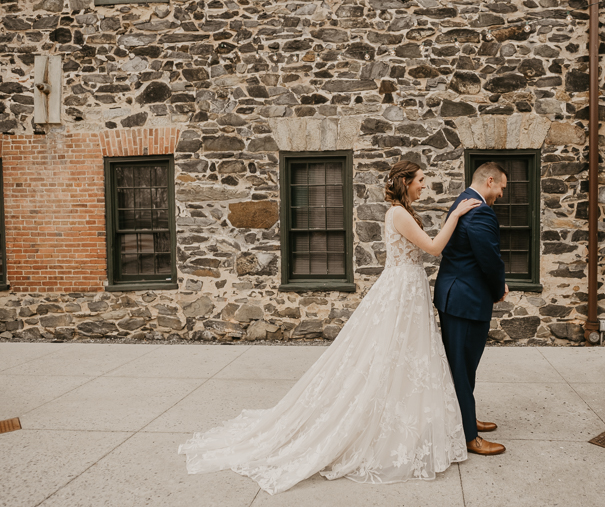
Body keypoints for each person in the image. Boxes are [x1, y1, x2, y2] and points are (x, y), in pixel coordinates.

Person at [179, 160, 481, 495]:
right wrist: (455, 215)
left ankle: (411, 421)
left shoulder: (402, 211)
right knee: (387, 356)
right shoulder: (397, 214)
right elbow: (434, 247)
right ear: (406, 182)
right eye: (421, 180)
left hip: (408, 290)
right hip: (401, 292)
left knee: (407, 357)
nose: (425, 185)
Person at [434, 162, 509, 456]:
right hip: (465, 301)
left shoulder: (463, 201)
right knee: (462, 368)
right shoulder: (480, 211)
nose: (502, 194)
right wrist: (498, 288)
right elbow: (489, 259)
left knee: (465, 366)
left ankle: (467, 417)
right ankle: (469, 437)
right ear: (489, 181)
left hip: (457, 296)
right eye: (502, 187)